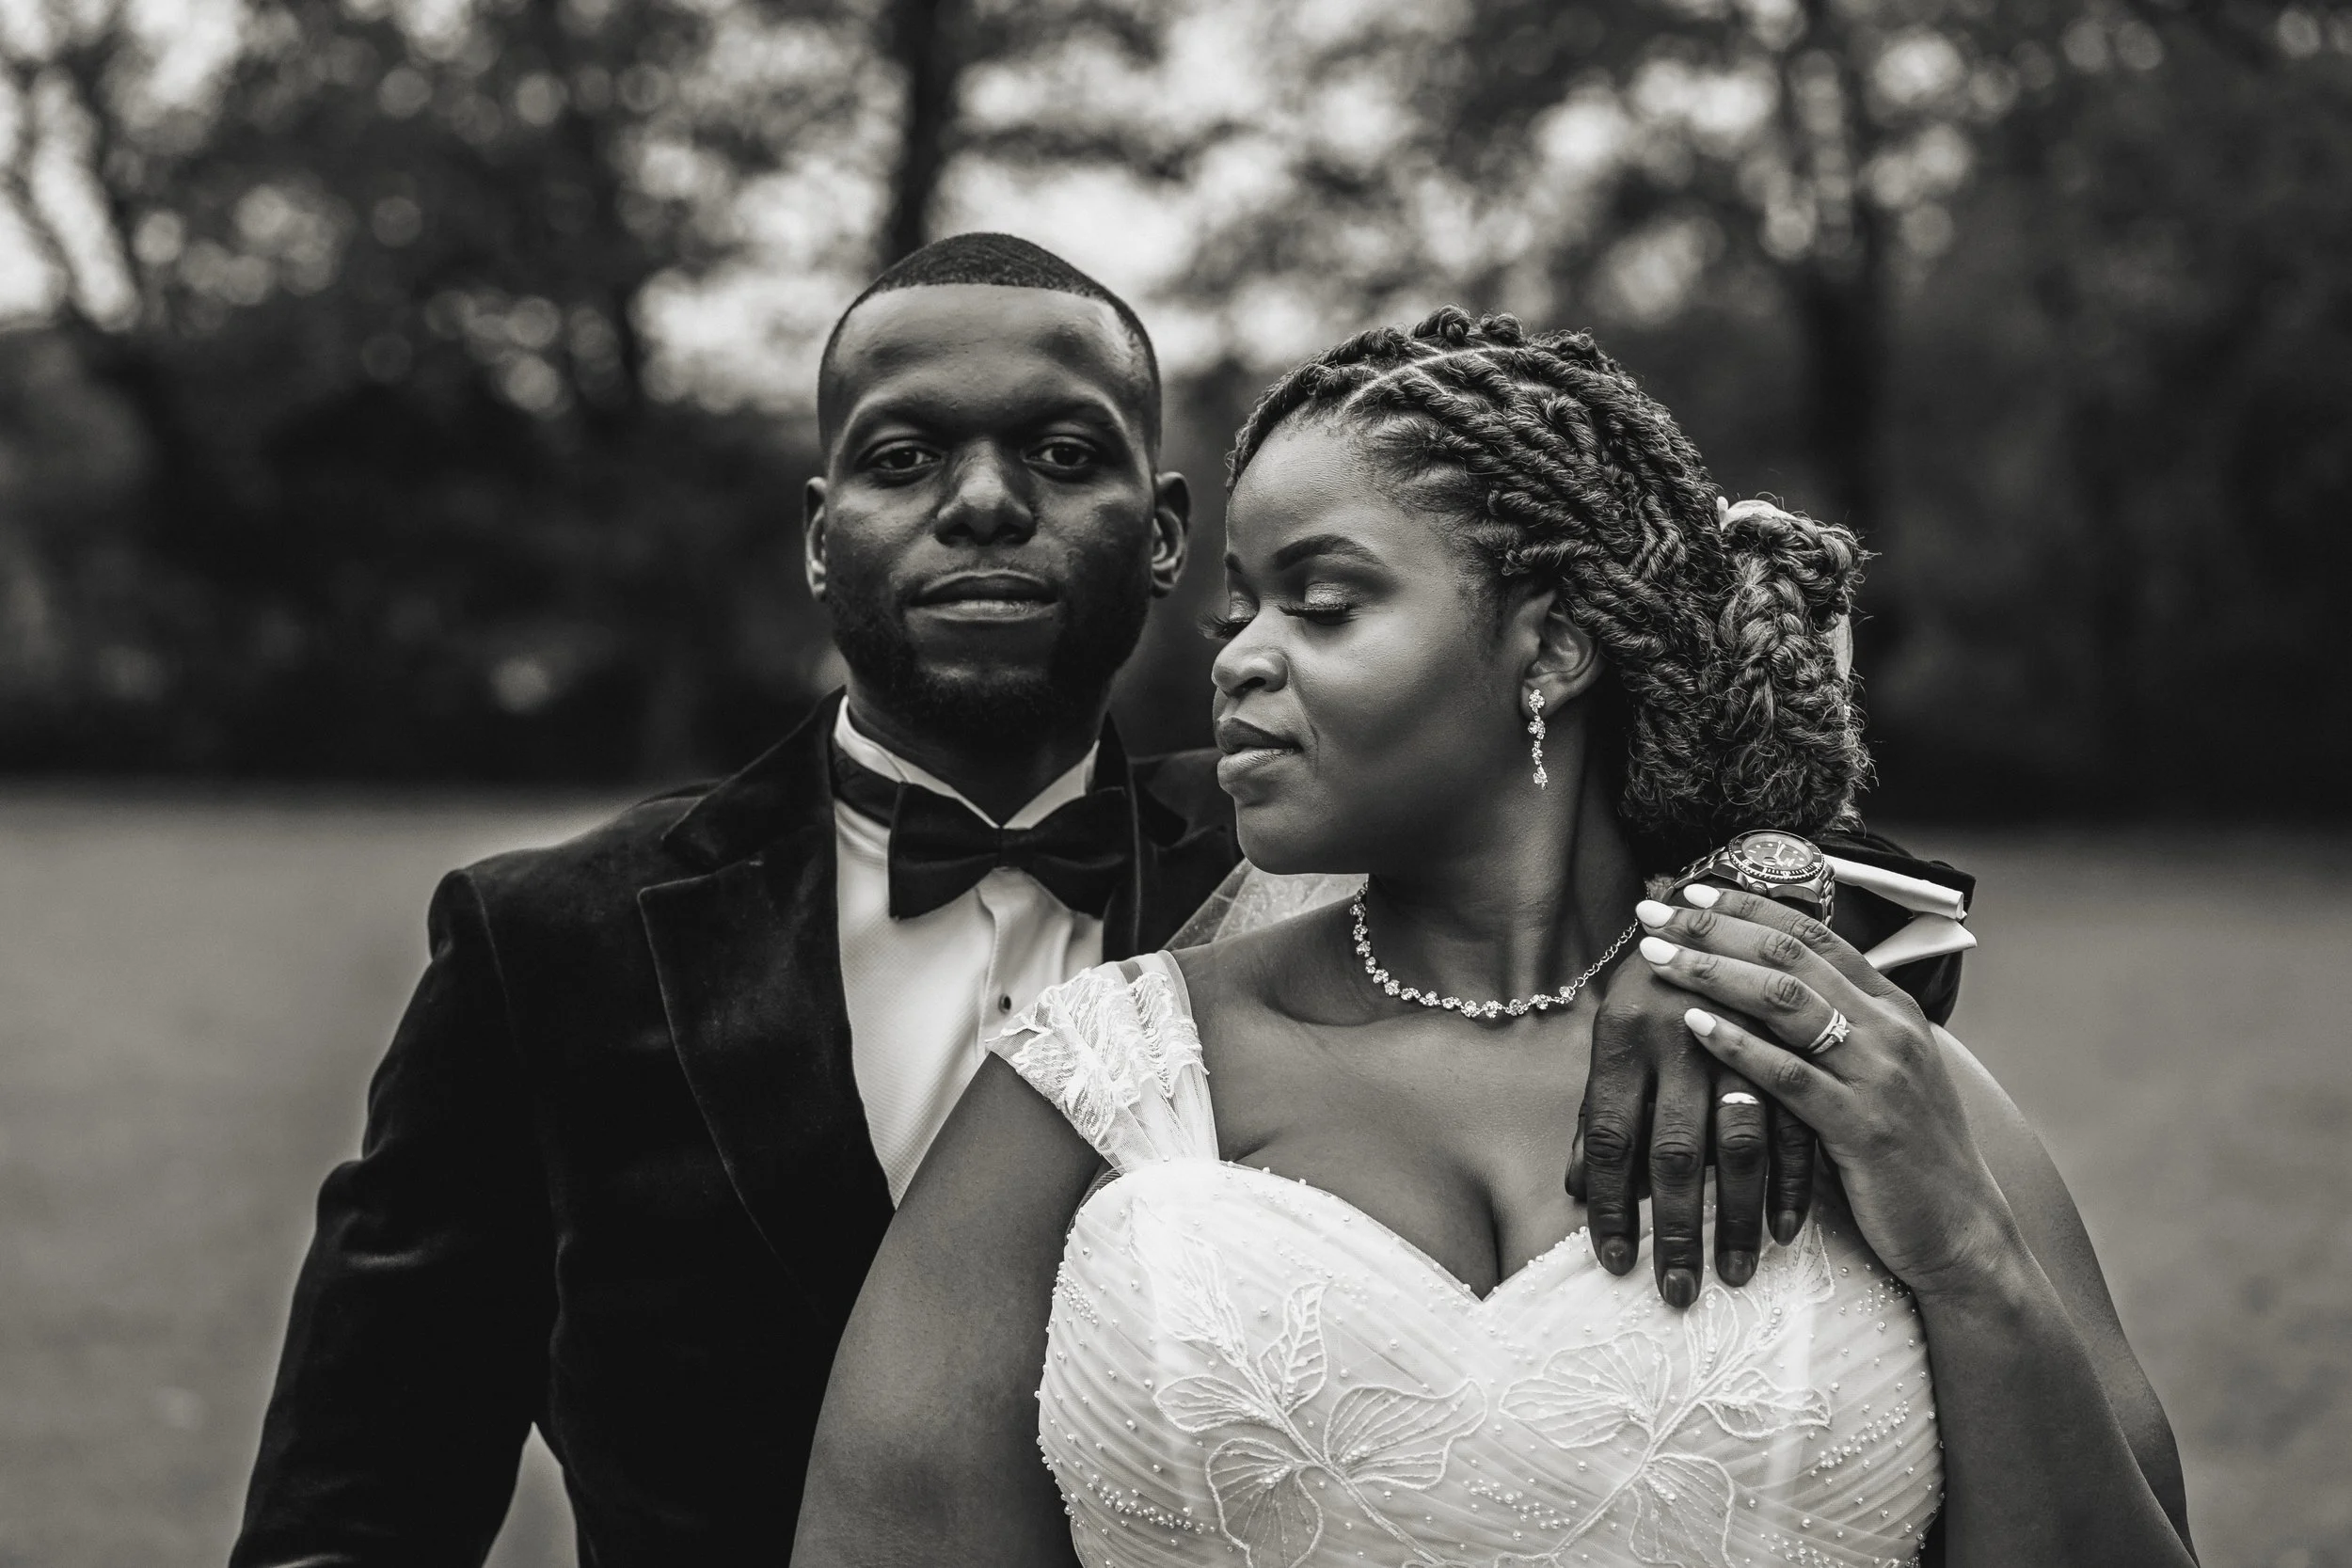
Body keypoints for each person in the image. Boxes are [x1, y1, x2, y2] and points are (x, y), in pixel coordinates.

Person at [228, 230, 1961, 1561]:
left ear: (1162, 528)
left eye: (1064, 453)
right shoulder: (552, 946)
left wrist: (1729, 912)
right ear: (817, 530)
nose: (984, 503)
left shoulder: (1338, 839)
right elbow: (356, 1498)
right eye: (902, 460)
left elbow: (1780, 830)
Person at [792, 309, 2190, 1567]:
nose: (1237, 655)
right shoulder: (1091, 1089)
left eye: (1322, 601)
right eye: (1241, 608)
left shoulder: (1870, 1085)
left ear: (1554, 647)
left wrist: (1970, 1257)